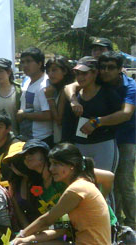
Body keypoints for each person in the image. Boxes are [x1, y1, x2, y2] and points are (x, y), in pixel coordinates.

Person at [66, 51, 136, 229]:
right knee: (84, 183)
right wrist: (73, 100)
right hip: (83, 144)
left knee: (118, 183)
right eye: (78, 73)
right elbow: (70, 87)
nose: (106, 71)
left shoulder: (120, 89)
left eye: (110, 68)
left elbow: (125, 114)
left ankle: (120, 224)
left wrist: (96, 122)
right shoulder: (79, 90)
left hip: (117, 140)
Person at [12, 143, 111, 245]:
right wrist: (27, 239)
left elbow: (47, 219)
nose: (51, 168)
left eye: (56, 164)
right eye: (51, 164)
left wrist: (22, 235)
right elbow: (61, 228)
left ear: (71, 165)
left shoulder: (76, 189)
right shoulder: (79, 184)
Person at [62, 56, 121, 173]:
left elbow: (121, 116)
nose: (80, 77)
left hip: (103, 144)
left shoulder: (107, 92)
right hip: (80, 145)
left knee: (103, 188)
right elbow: (68, 125)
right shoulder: (74, 96)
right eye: (77, 73)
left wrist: (95, 123)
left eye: (84, 73)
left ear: (95, 73)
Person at [16, 47, 53, 146]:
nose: (25, 65)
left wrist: (24, 115)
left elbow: (48, 115)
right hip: (26, 137)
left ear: (40, 63)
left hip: (41, 139)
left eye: (29, 61)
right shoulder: (27, 80)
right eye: (23, 62)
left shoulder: (44, 85)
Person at [44, 55, 75, 144]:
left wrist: (49, 98)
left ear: (64, 71)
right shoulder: (58, 89)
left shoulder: (65, 90)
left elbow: (58, 120)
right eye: (48, 71)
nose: (50, 74)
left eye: (54, 70)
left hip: (66, 139)